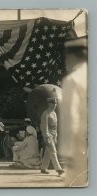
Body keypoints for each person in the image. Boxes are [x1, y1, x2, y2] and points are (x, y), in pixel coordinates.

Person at [59, 36, 88, 186]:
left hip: (80, 144)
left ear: (71, 57)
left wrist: (68, 153)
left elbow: (71, 117)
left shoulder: (73, 79)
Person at [40, 97, 64, 175]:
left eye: (55, 103)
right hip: (48, 134)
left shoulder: (54, 113)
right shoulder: (46, 113)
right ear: (49, 104)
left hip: (54, 134)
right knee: (53, 151)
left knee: (48, 152)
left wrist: (56, 136)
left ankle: (43, 168)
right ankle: (58, 169)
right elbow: (44, 126)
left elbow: (56, 126)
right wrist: (46, 136)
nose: (54, 105)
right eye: (52, 103)